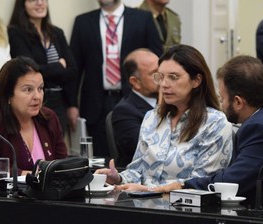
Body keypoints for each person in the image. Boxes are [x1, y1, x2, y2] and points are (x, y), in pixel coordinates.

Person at [161, 55, 263, 205]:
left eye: (222, 98)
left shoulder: (262, 128)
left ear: (238, 102)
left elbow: (231, 182)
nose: (221, 104)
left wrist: (184, 185)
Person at [96, 45, 233, 191]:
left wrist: (148, 191)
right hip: (141, 205)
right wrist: (118, 179)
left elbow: (201, 182)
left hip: (184, 209)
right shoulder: (152, 117)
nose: (164, 84)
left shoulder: (215, 122)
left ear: (196, 81)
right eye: (160, 77)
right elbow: (137, 170)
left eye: (173, 77)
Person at [70, 0, 163, 157]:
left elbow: (158, 62)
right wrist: (71, 104)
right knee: (101, 160)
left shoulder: (143, 18)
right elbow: (75, 67)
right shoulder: (83, 22)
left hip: (134, 99)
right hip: (95, 103)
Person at [0, 56, 67, 177]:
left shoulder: (49, 118)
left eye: (40, 88)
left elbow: (62, 164)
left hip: (44, 195)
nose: (37, 96)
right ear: (8, 94)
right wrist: (33, 177)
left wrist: (88, 171)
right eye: (28, 90)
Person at [8, 0, 78, 134]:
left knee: (57, 150)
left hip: (59, 102)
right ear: (22, 5)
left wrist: (72, 104)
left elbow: (73, 71)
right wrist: (59, 66)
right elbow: (28, 71)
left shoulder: (57, 32)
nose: (40, 3)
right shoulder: (16, 33)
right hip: (34, 101)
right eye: (33, 0)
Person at [112, 48, 159, 167]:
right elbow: (148, 151)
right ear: (135, 82)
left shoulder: (174, 103)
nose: (162, 78)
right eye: (155, 74)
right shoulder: (124, 111)